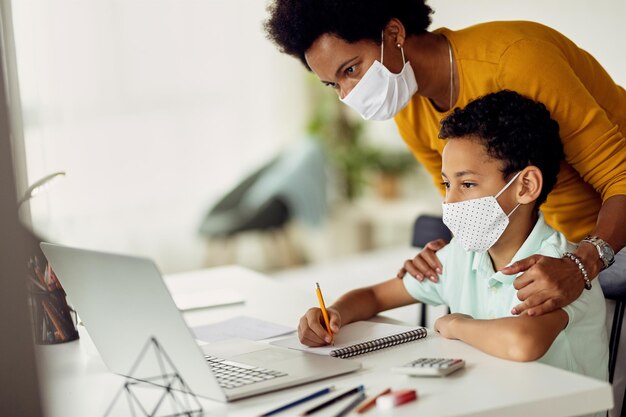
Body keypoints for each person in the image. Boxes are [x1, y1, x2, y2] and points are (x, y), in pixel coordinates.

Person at [264, 0, 626, 318]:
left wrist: (582, 263)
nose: (348, 95)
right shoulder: (409, 112)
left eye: (351, 70)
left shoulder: (516, 60)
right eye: (334, 85)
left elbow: (620, 176)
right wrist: (447, 249)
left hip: (609, 239)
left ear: (393, 34)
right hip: (561, 247)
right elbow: (462, 203)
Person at [297, 91, 608, 417]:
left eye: (468, 184)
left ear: (526, 185)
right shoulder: (461, 256)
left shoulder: (560, 270)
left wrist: (456, 324)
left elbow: (523, 343)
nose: (451, 202)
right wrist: (333, 313)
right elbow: (375, 296)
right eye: (447, 185)